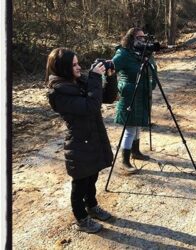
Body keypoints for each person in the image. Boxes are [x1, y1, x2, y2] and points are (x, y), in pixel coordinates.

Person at [46, 48, 118, 233]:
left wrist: (110, 76)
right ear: (63, 68)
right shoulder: (58, 92)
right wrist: (94, 77)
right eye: (74, 65)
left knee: (92, 176)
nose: (79, 68)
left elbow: (108, 97)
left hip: (93, 137)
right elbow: (90, 107)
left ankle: (92, 206)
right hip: (78, 143)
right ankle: (81, 218)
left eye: (79, 63)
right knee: (80, 184)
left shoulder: (78, 82)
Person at [112, 27, 158, 173]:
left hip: (142, 95)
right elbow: (109, 69)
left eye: (143, 37)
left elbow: (151, 71)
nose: (142, 39)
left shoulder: (143, 54)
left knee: (138, 126)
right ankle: (125, 161)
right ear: (130, 38)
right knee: (130, 129)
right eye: (139, 37)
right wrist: (120, 87)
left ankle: (136, 152)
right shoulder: (123, 53)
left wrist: (152, 83)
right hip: (129, 96)